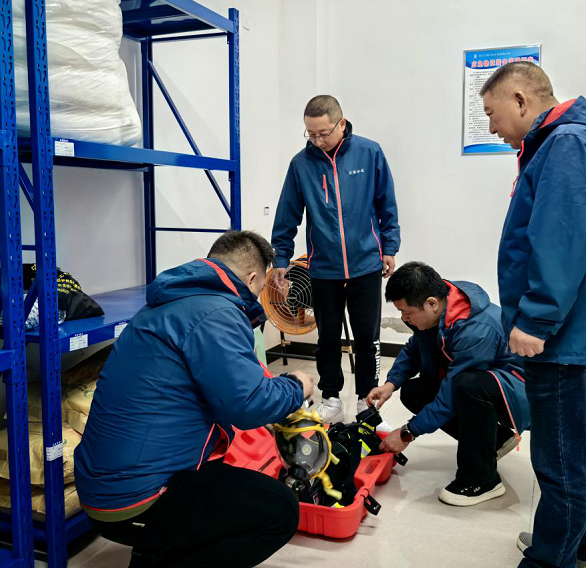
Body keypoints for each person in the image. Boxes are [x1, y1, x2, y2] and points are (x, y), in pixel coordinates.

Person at [74, 231, 314, 568]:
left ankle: (152, 551)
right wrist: (296, 386)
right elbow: (248, 405)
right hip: (134, 498)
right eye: (261, 288)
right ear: (252, 279)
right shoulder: (217, 312)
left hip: (101, 486)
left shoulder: (168, 303)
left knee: (219, 464)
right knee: (281, 510)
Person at [481, 62, 586, 568]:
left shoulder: (566, 144)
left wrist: (536, 318)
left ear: (521, 100)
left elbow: (561, 240)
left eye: (492, 113)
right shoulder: (569, 142)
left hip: (564, 336)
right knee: (581, 451)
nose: (491, 127)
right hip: (578, 332)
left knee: (562, 461)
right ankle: (572, 545)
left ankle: (550, 560)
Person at [271, 95, 400, 426]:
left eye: (324, 133)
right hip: (323, 268)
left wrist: (389, 247)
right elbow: (287, 214)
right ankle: (331, 399)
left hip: (366, 265)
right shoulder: (301, 165)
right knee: (327, 339)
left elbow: (386, 204)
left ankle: (366, 401)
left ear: (342, 123)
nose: (317, 140)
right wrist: (281, 256)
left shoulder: (369, 153)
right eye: (311, 134)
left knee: (367, 339)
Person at [367, 262, 529, 506]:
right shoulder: (439, 310)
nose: (403, 318)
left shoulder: (476, 329)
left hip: (520, 392)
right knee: (413, 392)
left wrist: (407, 433)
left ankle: (482, 480)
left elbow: (452, 394)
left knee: (468, 385)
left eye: (406, 312)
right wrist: (390, 385)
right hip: (483, 384)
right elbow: (414, 350)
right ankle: (495, 440)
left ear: (431, 303)